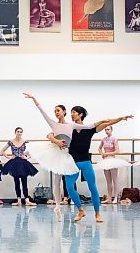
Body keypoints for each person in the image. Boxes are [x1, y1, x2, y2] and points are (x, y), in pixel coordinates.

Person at [48, 106, 133, 223]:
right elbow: (50, 134)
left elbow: (108, 122)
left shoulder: (90, 129)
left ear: (81, 114)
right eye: (71, 113)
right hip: (71, 162)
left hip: (85, 162)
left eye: (74, 113)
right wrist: (56, 141)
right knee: (69, 187)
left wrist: (121, 118)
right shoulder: (69, 128)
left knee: (92, 187)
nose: (72, 115)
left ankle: (97, 213)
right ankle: (80, 210)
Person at [23, 93, 97, 221]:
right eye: (54, 111)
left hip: (67, 155)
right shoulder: (53, 124)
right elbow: (43, 115)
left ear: (64, 112)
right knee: (56, 180)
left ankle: (64, 206)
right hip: (55, 152)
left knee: (64, 182)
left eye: (58, 110)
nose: (56, 113)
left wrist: (107, 121)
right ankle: (57, 206)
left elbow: (88, 126)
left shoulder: (71, 126)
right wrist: (35, 100)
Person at [0, 127, 38, 206]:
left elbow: (32, 151)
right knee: (16, 182)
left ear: (22, 133)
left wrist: (27, 157)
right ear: (15, 132)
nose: (19, 133)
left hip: (23, 163)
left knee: (24, 182)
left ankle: (27, 200)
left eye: (20, 132)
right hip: (14, 163)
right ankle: (19, 200)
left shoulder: (25, 142)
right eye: (18, 131)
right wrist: (9, 157)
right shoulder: (11, 142)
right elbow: (2, 151)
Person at [96, 126, 131, 204]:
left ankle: (116, 197)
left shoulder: (114, 139)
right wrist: (102, 154)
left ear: (111, 130)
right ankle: (109, 198)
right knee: (108, 181)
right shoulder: (103, 139)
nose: (106, 131)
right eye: (105, 129)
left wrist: (107, 153)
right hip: (105, 161)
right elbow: (99, 148)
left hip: (112, 160)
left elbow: (117, 151)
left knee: (115, 180)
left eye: (108, 129)